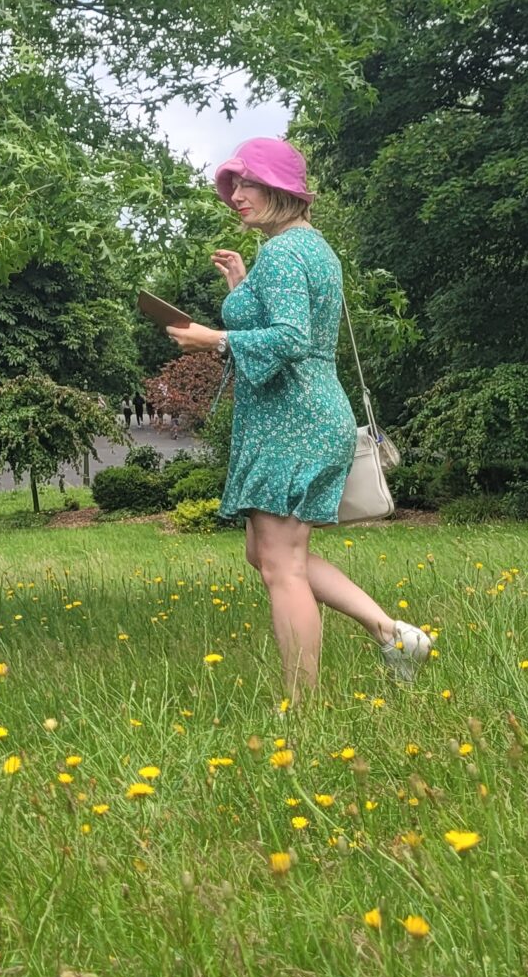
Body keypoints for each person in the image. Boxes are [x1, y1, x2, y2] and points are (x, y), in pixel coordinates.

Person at [163, 137, 428, 699]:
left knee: (281, 564)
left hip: (294, 420)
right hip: (303, 413)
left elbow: (290, 337)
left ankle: (303, 711)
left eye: (249, 183)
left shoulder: (283, 254)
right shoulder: (308, 247)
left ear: (282, 190)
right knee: (269, 553)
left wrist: (214, 339)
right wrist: (240, 285)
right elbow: (287, 319)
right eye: (233, 184)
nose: (236, 194)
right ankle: (392, 633)